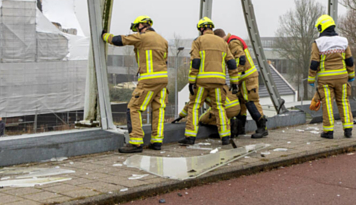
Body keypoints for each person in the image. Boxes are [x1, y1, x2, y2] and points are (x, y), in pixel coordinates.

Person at [104, 16, 169, 153]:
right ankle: (157, 141)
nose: (136, 30)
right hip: (163, 79)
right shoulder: (163, 40)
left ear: (141, 25)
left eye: (136, 27)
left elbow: (119, 40)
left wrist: (105, 36)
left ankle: (136, 143)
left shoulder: (142, 37)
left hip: (148, 79)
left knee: (133, 108)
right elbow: (165, 61)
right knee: (158, 109)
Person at [181, 17, 239, 146]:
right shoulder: (222, 42)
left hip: (201, 82)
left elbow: (195, 61)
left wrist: (192, 81)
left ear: (201, 28)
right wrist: (234, 82)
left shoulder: (198, 41)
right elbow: (231, 63)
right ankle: (225, 137)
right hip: (219, 83)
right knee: (219, 108)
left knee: (194, 107)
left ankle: (190, 137)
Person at [307, 15, 355, 139]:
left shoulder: (318, 43)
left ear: (321, 27)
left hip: (325, 79)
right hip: (342, 77)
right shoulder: (343, 41)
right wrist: (351, 75)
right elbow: (349, 60)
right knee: (343, 101)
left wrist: (311, 78)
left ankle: (328, 132)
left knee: (327, 103)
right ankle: (348, 129)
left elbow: (314, 63)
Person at [216, 29, 268, 139]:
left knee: (251, 101)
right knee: (241, 102)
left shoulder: (232, 43)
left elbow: (241, 59)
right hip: (243, 77)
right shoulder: (231, 42)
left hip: (247, 77)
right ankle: (240, 128)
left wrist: (235, 76)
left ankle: (262, 127)